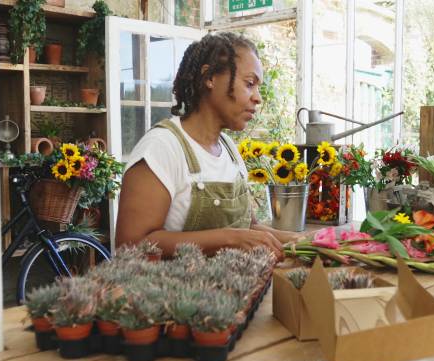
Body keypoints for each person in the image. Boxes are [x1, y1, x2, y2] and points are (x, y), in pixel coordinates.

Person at [115, 32, 298, 259]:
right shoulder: (162, 148)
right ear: (209, 77)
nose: (258, 97)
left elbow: (247, 228)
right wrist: (231, 239)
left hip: (239, 291)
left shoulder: (229, 150)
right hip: (180, 293)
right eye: (249, 84)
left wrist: (298, 240)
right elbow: (131, 245)